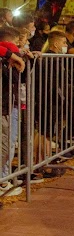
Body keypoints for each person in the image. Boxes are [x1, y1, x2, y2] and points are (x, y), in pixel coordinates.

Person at [0, 26, 26, 197]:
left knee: (7, 144)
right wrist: (15, 55)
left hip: (8, 105)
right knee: (4, 145)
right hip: (3, 106)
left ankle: (3, 180)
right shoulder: (7, 54)